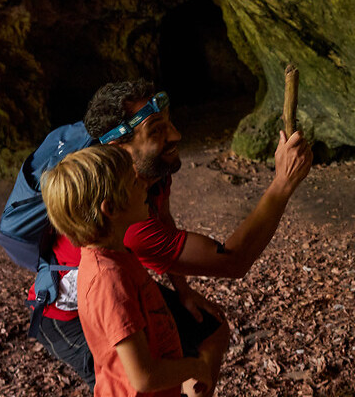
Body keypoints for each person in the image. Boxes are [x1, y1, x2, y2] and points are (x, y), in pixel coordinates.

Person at [30, 79, 313, 392]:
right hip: (70, 316)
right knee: (131, 383)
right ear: (118, 148)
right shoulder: (128, 226)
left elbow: (164, 218)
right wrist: (283, 183)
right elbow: (233, 262)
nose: (176, 135)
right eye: (156, 130)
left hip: (124, 285)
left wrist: (184, 291)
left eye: (169, 123)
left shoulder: (147, 175)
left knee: (209, 333)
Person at [41, 145, 226, 396]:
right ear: (112, 209)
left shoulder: (115, 255)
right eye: (133, 182)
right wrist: (194, 366)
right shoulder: (108, 280)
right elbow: (143, 378)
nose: (143, 184)